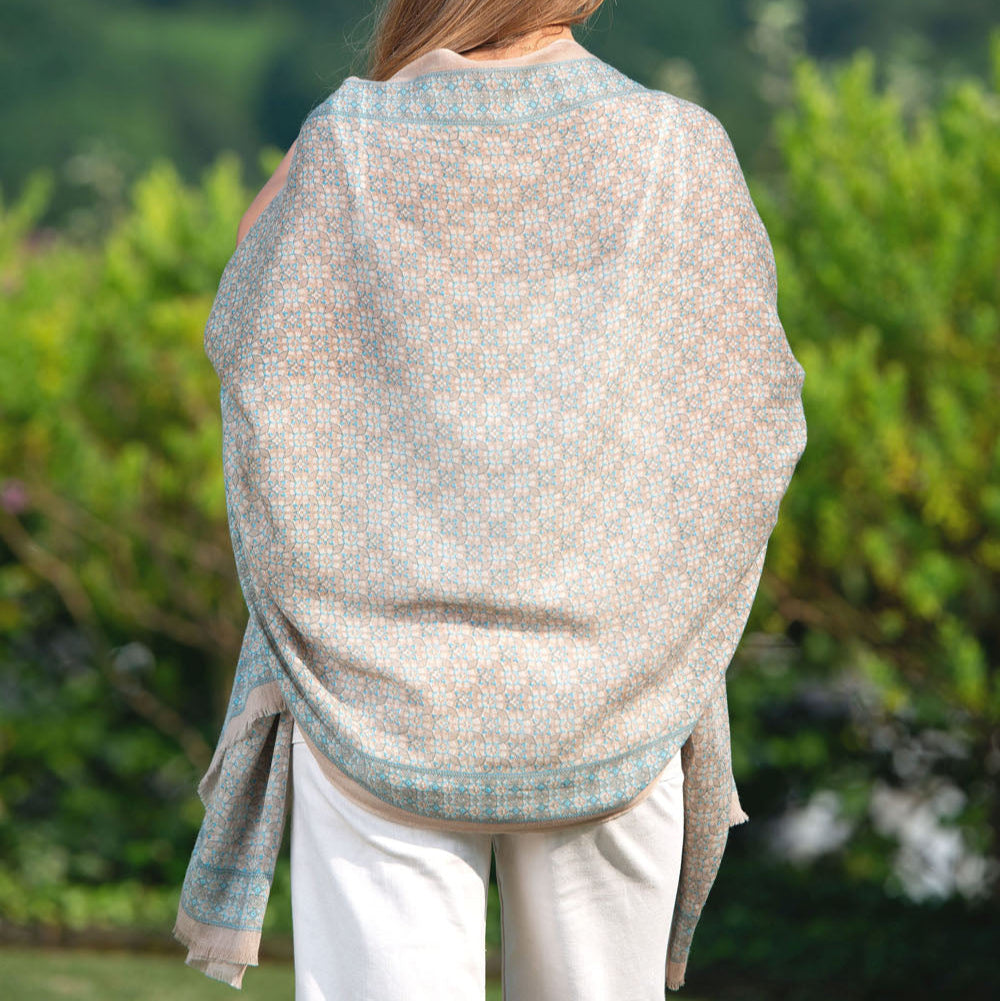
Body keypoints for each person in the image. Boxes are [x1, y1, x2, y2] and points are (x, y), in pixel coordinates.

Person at [172, 1, 808, 997]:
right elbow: (747, 418)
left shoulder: (350, 137)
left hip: (373, 679)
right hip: (617, 687)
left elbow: (250, 342)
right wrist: (664, 620)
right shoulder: (671, 146)